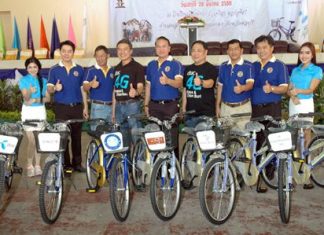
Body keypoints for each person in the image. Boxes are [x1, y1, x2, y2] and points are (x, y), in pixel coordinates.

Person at [252, 35, 289, 193]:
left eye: (264, 47)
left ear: (272, 48)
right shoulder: (253, 65)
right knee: (258, 141)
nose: (261, 51)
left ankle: (270, 173)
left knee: (272, 141)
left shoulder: (279, 66)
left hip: (272, 108)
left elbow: (285, 88)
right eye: (258, 48)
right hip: (256, 109)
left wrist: (272, 89)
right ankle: (259, 176)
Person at [47, 40, 87, 173]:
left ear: (73, 53)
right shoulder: (54, 69)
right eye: (64, 51)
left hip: (76, 107)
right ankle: (66, 164)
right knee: (63, 136)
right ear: (60, 52)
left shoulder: (80, 69)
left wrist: (85, 107)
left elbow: (83, 90)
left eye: (69, 51)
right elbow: (49, 89)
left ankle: (77, 164)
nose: (66, 54)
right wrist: (55, 88)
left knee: (77, 137)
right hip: (61, 108)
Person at [287, 42, 323, 189]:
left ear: (312, 54)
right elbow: (289, 88)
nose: (304, 55)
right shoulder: (295, 70)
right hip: (293, 104)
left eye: (307, 52)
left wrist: (297, 92)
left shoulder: (316, 70)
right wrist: (292, 95)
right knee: (294, 139)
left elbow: (311, 89)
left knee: (306, 141)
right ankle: (295, 174)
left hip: (306, 105)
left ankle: (306, 175)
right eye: (301, 52)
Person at [144, 36, 183, 157]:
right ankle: (158, 169)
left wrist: (167, 81)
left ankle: (174, 169)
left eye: (164, 46)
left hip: (170, 106)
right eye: (158, 46)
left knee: (171, 139)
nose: (161, 49)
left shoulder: (176, 64)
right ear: (155, 48)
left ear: (169, 48)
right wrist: (146, 104)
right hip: (154, 106)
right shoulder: (151, 65)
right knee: (155, 138)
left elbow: (179, 83)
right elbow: (148, 87)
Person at [19, 57, 50, 177]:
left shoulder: (43, 80)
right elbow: (26, 99)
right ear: (26, 68)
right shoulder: (23, 80)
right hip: (28, 112)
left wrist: (36, 99)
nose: (32, 69)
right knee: (31, 140)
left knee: (38, 139)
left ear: (39, 67)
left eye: (35, 67)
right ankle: (29, 164)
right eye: (30, 67)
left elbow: (48, 98)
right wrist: (30, 92)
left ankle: (37, 165)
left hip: (40, 111)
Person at [111, 39, 144, 145]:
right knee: (122, 136)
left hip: (132, 106)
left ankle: (139, 160)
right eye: (119, 49)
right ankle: (126, 161)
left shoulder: (137, 67)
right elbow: (114, 91)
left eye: (125, 49)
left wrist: (136, 92)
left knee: (136, 135)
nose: (122, 52)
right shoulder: (116, 68)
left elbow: (140, 87)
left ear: (131, 51)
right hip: (119, 107)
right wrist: (113, 111)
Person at [216, 39, 254, 130]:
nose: (233, 52)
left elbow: (250, 84)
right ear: (227, 51)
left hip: (242, 108)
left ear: (241, 50)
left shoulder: (248, 66)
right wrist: (217, 106)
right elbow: (220, 87)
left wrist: (242, 88)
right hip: (225, 108)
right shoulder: (223, 66)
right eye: (231, 49)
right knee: (226, 137)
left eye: (236, 49)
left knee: (243, 137)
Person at [182, 40, 217, 127]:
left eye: (199, 50)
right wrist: (183, 108)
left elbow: (210, 83)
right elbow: (185, 89)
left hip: (205, 115)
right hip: (190, 114)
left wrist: (201, 82)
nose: (195, 53)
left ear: (205, 52)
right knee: (191, 140)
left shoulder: (211, 68)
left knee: (205, 140)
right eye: (193, 50)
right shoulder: (187, 69)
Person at [83, 45, 114, 129]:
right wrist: (90, 84)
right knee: (97, 133)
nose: (99, 58)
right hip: (98, 108)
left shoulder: (113, 70)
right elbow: (84, 87)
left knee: (111, 135)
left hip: (113, 108)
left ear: (108, 56)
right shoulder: (90, 70)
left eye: (102, 56)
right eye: (97, 56)